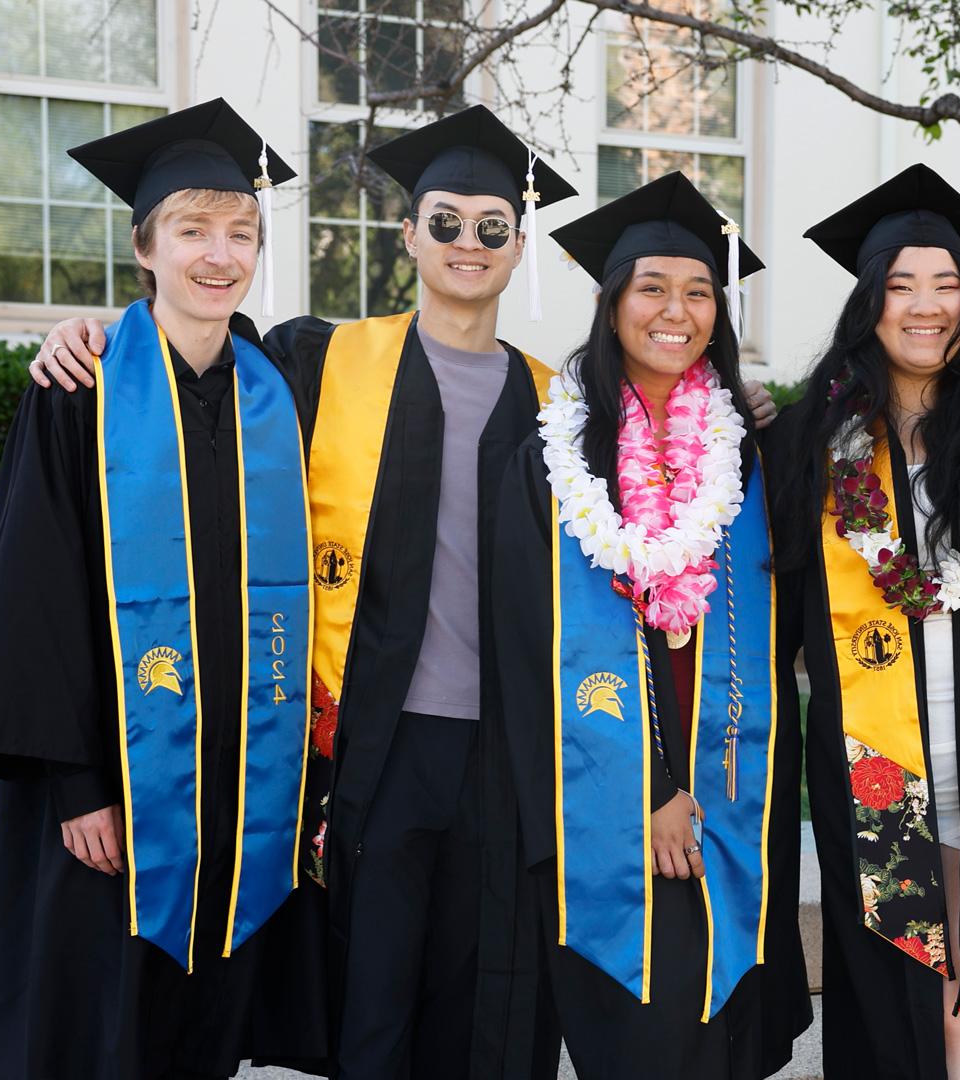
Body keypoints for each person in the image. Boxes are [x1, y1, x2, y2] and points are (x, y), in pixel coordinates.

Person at [31, 104, 581, 1078]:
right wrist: (84, 332)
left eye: (492, 228)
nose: (467, 243)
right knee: (370, 1000)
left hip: (508, 756)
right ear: (408, 233)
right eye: (444, 220)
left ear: (518, 243)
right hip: (369, 747)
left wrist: (743, 407)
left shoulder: (561, 406)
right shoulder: (319, 362)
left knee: (489, 997)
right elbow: (190, 360)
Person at [0, 99, 329, 1077]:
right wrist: (80, 787)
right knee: (100, 1028)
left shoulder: (279, 387)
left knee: (201, 1025)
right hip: (109, 787)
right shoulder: (80, 386)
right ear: (144, 247)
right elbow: (35, 599)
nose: (219, 255)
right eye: (192, 230)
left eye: (240, 233)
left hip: (237, 778)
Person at [488, 171, 811, 1078]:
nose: (678, 311)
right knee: (644, 1032)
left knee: (721, 1035)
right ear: (613, 303)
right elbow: (527, 648)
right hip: (609, 800)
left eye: (700, 291)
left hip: (737, 799)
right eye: (653, 289)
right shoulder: (552, 463)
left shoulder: (749, 458)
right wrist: (653, 789)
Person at [765, 164, 960, 1079]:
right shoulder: (806, 445)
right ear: (868, 302)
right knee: (912, 994)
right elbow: (775, 610)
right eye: (901, 284)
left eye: (947, 282)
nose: (926, 305)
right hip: (872, 763)